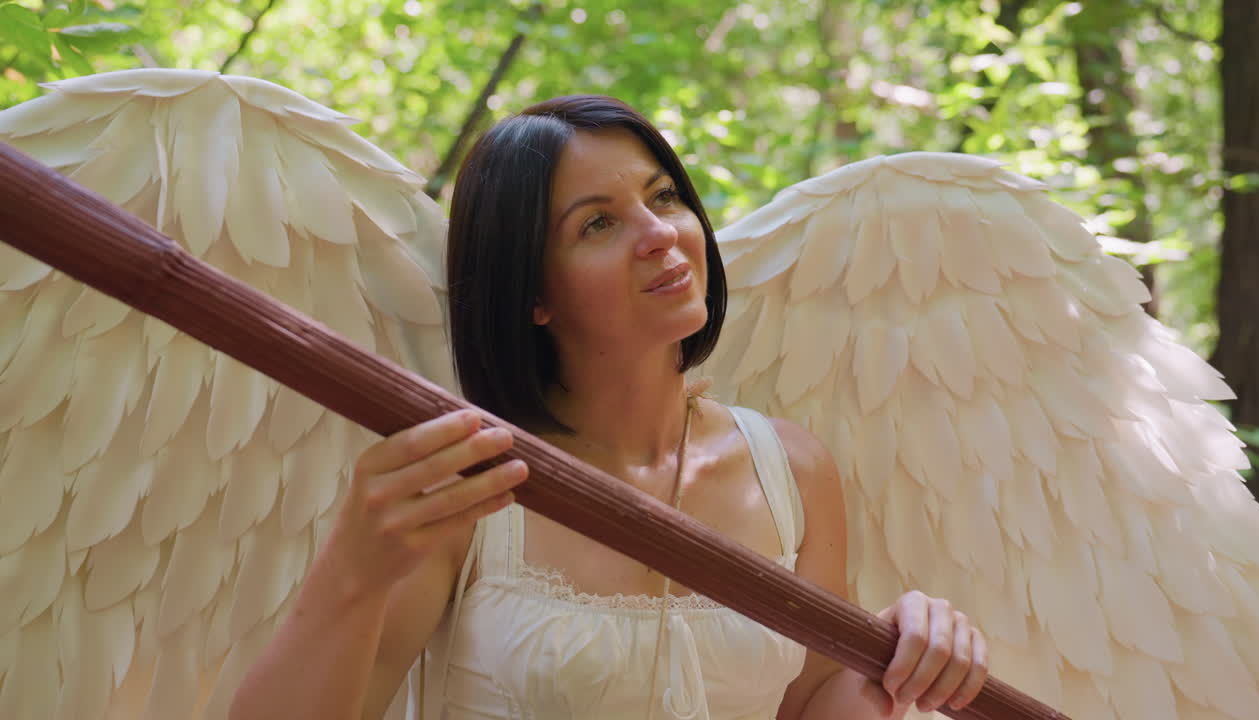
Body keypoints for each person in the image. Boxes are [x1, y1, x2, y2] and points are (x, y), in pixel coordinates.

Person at [230, 96, 988, 720]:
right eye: (598, 223)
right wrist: (350, 571)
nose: (661, 235)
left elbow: (811, 702)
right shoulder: (472, 486)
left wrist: (902, 656)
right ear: (530, 294)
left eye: (663, 197)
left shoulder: (789, 471)